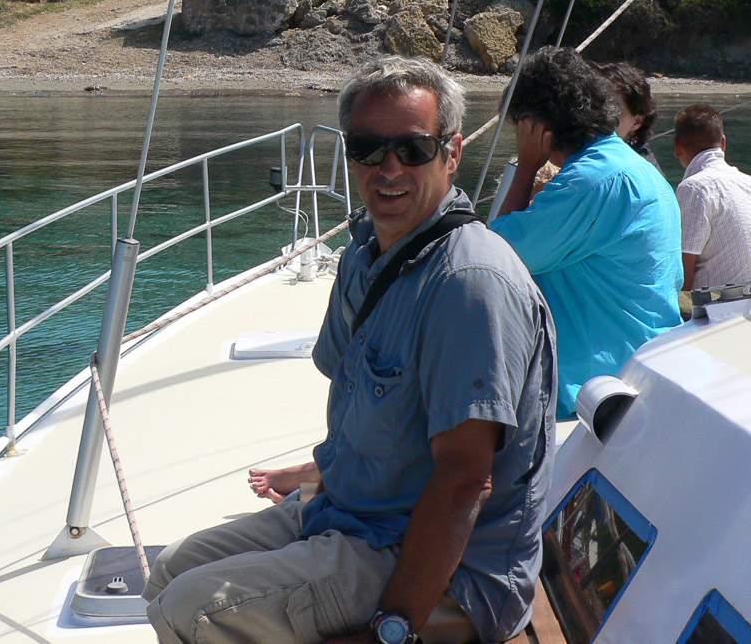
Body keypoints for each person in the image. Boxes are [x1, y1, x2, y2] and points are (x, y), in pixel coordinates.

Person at [144, 56, 557, 644]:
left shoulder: (469, 284)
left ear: (451, 153)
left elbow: (465, 480)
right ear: (348, 154)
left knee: (193, 608)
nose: (389, 168)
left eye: (412, 149)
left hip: (442, 564)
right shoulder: (365, 252)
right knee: (170, 569)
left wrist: (394, 627)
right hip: (351, 511)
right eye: (369, 148)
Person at [489, 47, 682, 418]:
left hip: (593, 395)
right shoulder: (636, 168)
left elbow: (495, 257)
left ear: (535, 126)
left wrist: (527, 165)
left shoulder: (589, 182)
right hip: (642, 372)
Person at [672, 104, 751, 290]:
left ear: (676, 146)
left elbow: (683, 271)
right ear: (723, 143)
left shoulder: (693, 188)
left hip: (723, 303)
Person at [594, 61, 662, 171]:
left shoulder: (636, 170)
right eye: (593, 106)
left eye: (610, 109)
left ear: (637, 121)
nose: (597, 116)